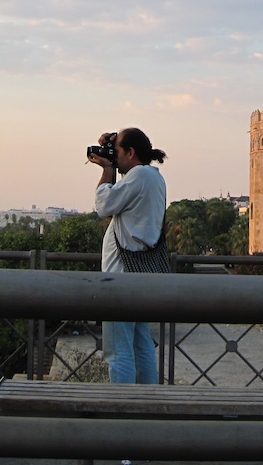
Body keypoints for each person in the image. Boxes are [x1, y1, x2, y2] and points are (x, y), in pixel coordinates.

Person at [88, 128, 168, 384]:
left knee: (118, 351)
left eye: (119, 152)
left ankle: (121, 410)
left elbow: (103, 206)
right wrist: (115, 145)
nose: (115, 157)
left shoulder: (140, 176)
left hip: (120, 277)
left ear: (131, 152)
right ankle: (148, 402)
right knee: (140, 343)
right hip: (141, 273)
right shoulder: (154, 177)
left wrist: (107, 172)